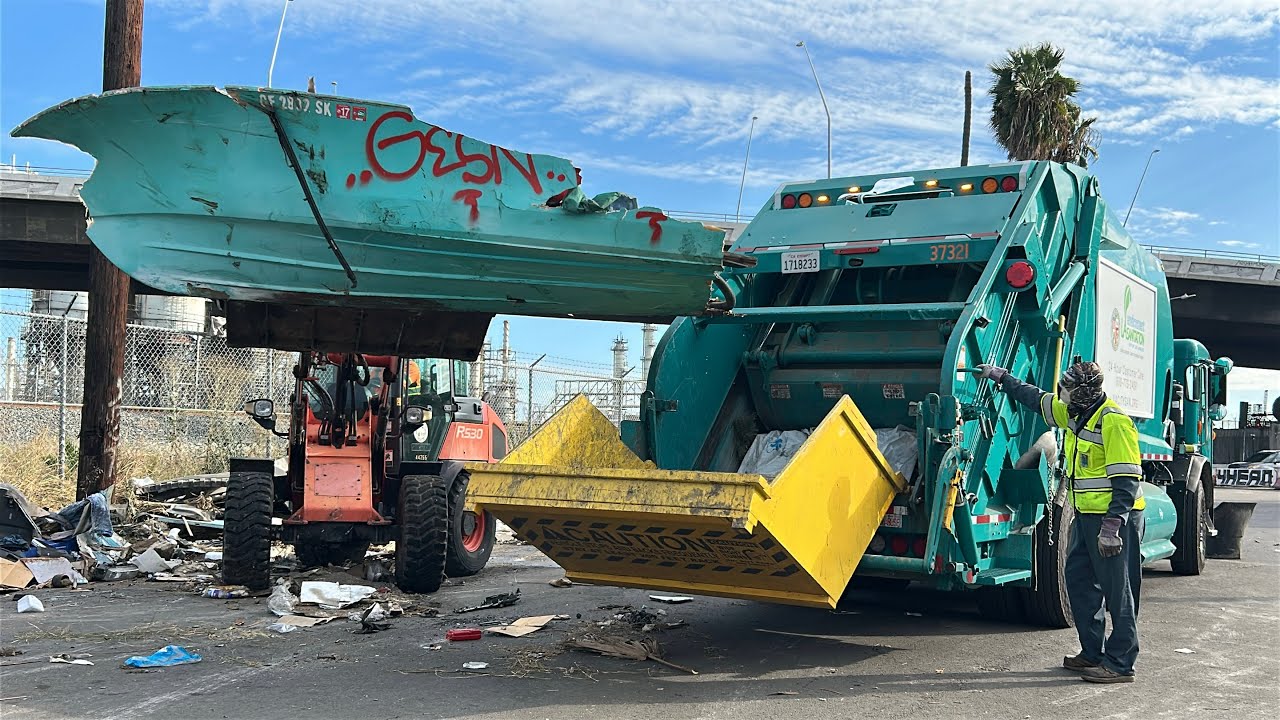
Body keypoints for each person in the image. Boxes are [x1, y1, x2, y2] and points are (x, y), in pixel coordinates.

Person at [976, 360, 1145, 684]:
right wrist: (1001, 377)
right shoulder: (1075, 413)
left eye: (1066, 388)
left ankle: (1121, 663)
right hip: (1085, 515)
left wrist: (1112, 527)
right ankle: (1092, 653)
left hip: (1114, 519)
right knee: (1078, 581)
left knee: (1118, 591)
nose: (1061, 392)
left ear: (1082, 393)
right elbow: (1035, 398)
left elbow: (1126, 479)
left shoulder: (1114, 422)